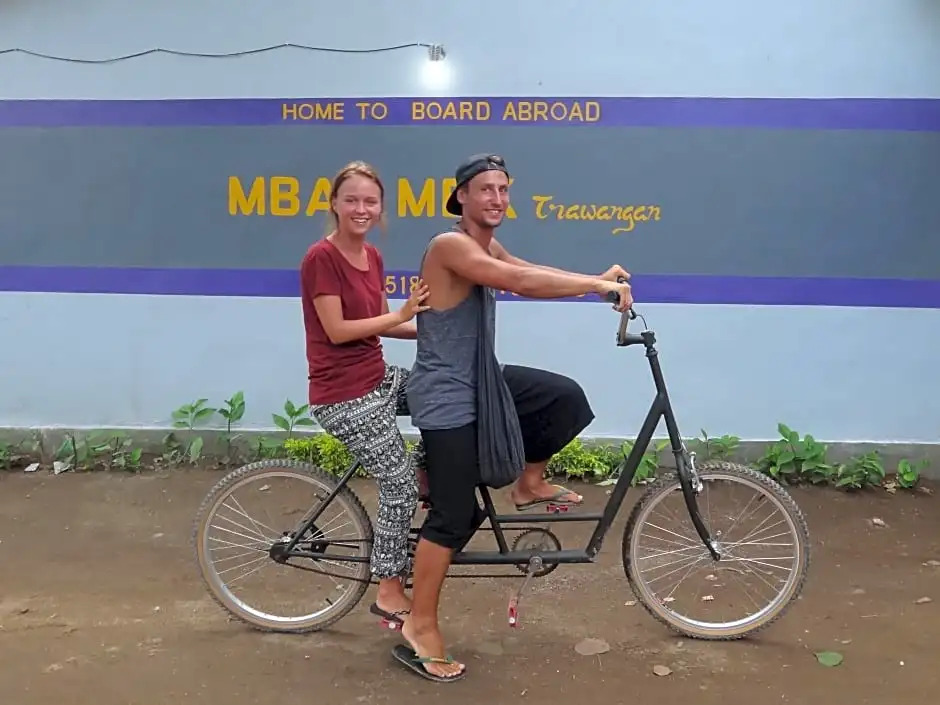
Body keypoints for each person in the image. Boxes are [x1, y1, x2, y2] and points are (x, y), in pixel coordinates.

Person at [395, 153, 633, 681]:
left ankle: (528, 484)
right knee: (455, 515)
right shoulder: (451, 245)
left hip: (481, 379)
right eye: (486, 189)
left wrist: (593, 278)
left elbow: (527, 269)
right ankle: (420, 624)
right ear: (461, 196)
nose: (497, 198)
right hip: (447, 394)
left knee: (561, 399)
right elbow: (517, 281)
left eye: (503, 189)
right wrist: (596, 287)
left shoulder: (483, 243)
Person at [300, 160, 431, 629]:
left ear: (380, 208)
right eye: (351, 200)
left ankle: (427, 476)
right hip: (343, 395)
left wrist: (438, 330)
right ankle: (389, 589)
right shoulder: (321, 258)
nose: (361, 209)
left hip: (377, 377)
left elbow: (382, 323)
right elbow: (338, 330)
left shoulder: (372, 256)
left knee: (448, 397)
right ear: (334, 204)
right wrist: (402, 315)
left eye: (370, 201)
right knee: (396, 483)